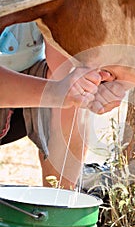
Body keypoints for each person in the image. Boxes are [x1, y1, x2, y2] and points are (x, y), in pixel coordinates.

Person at [0, 21, 126, 189]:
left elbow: (63, 67)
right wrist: (57, 92)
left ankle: (60, 203)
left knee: (74, 98)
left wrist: (90, 84)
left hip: (23, 90)